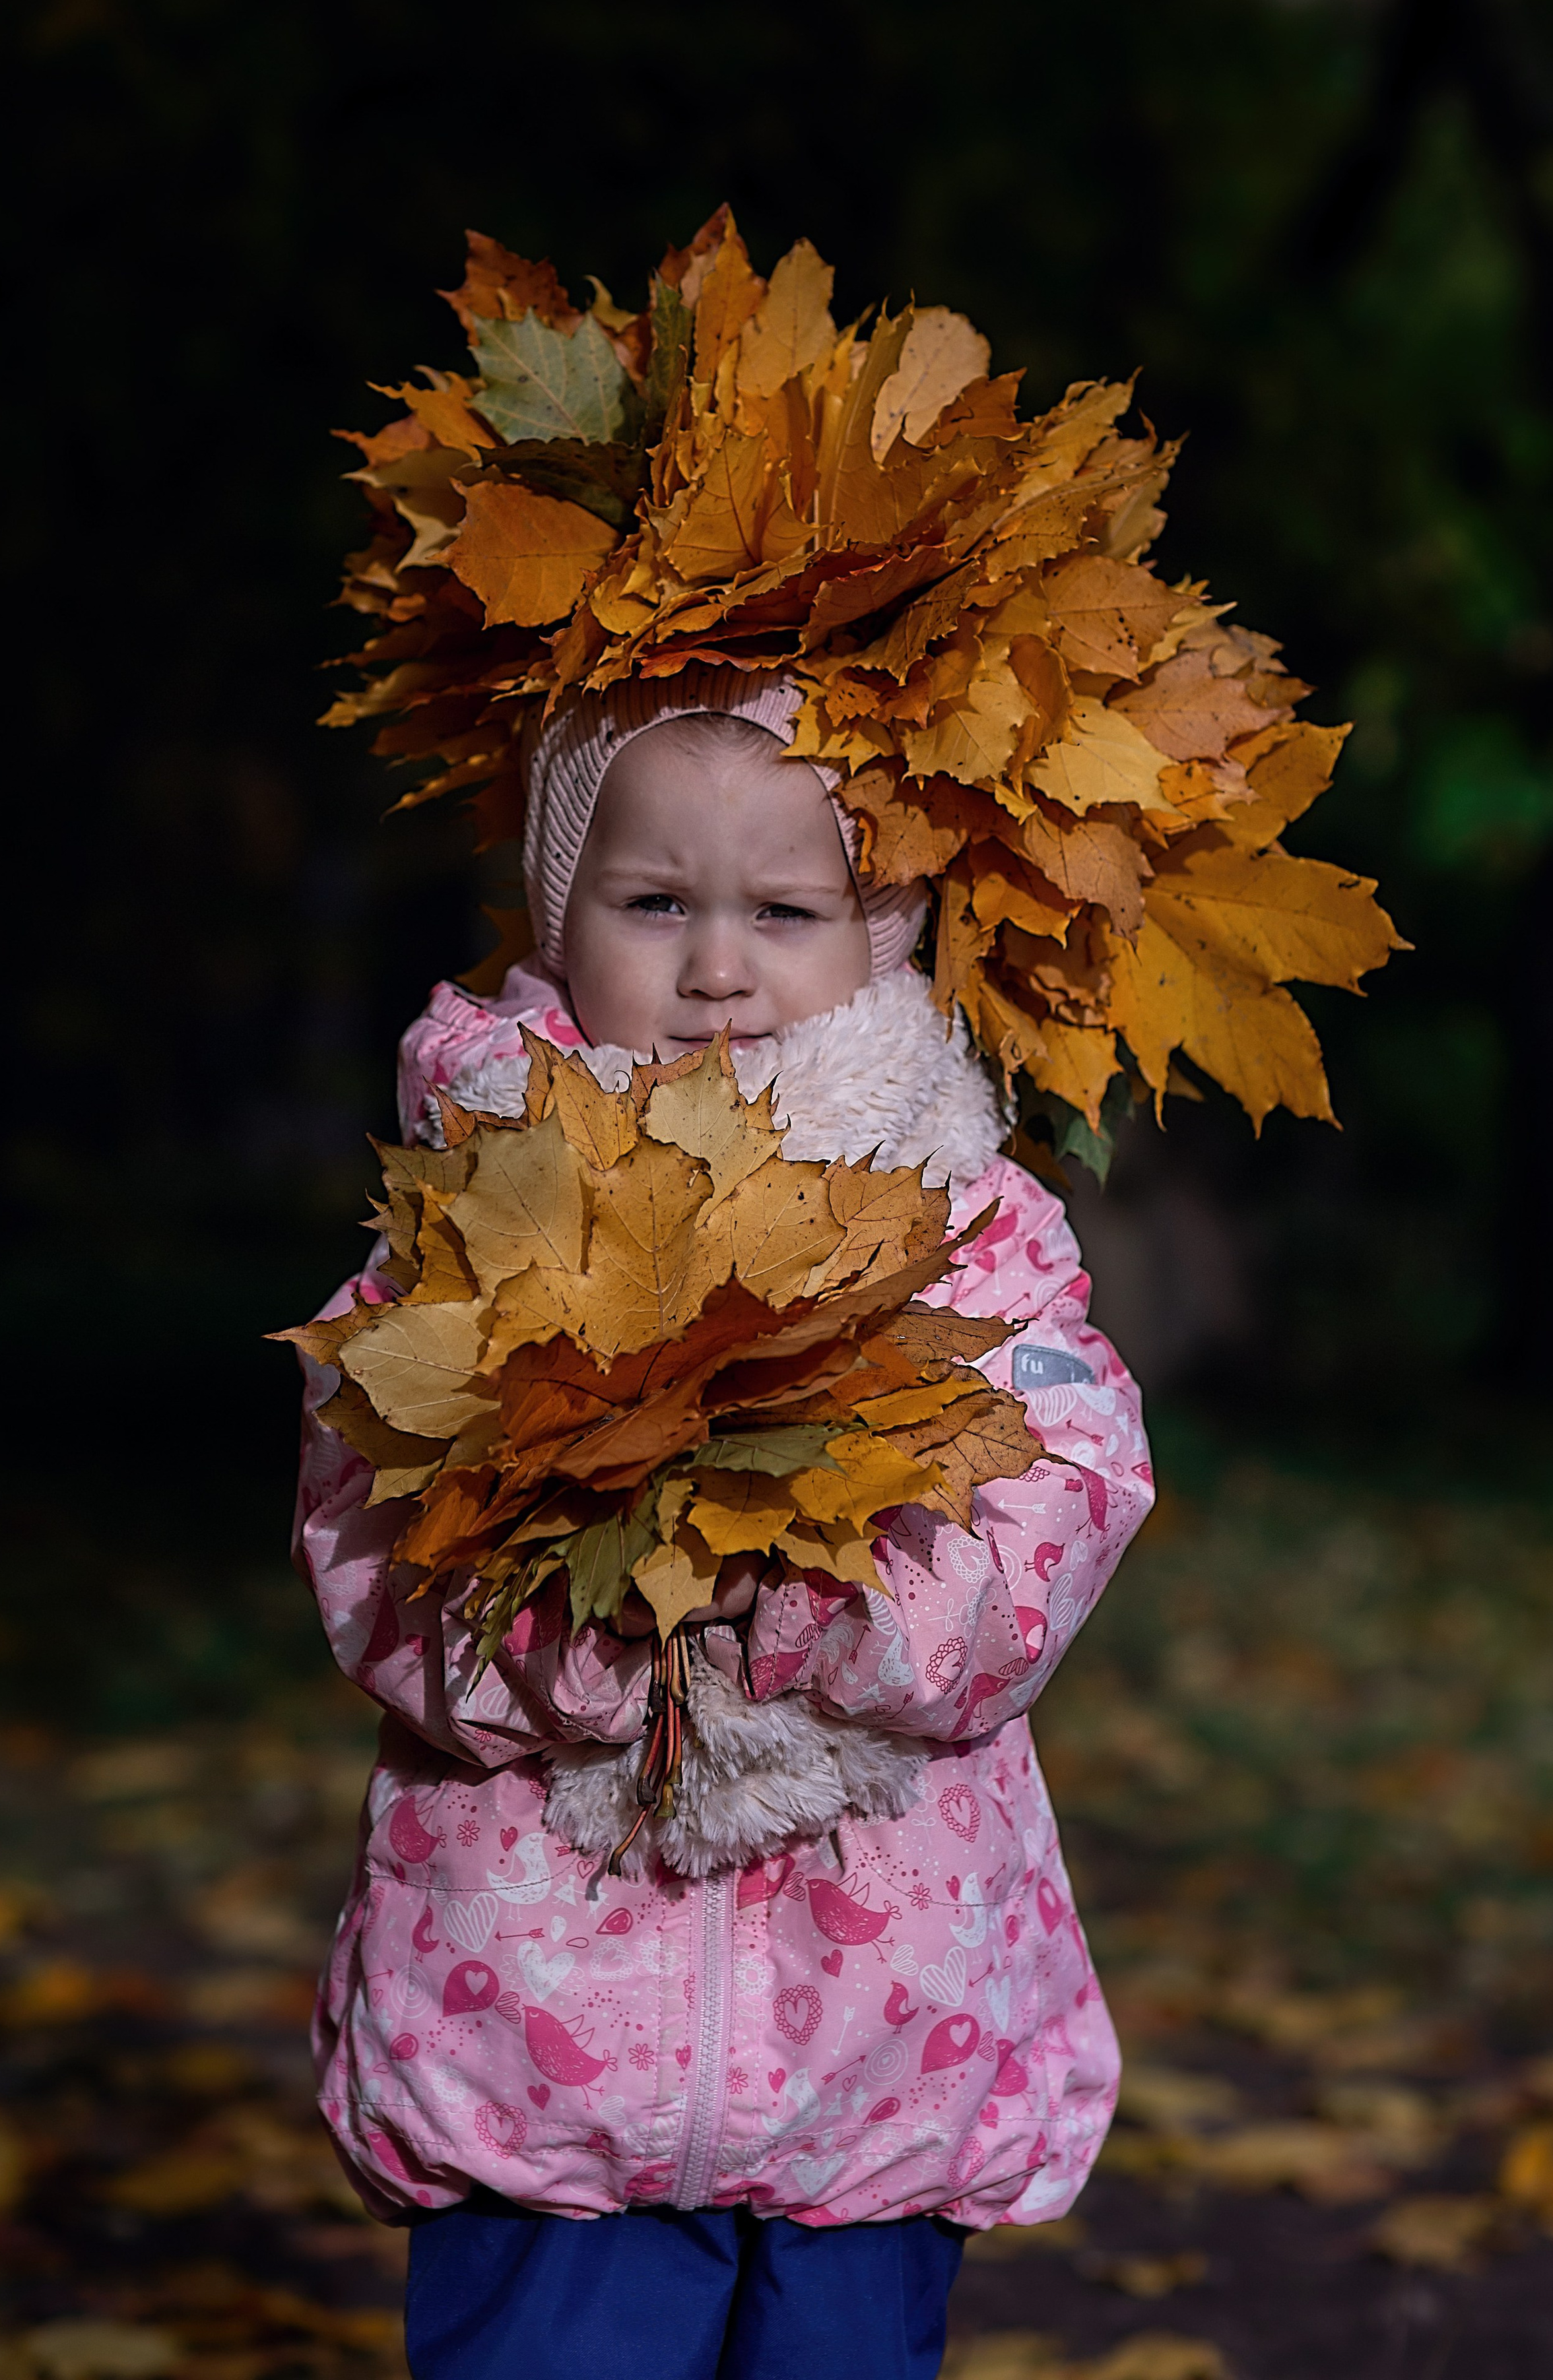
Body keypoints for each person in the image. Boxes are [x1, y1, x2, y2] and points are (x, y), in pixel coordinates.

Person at [292, 666, 1155, 2380]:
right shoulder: (467, 1225)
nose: (715, 968)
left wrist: (807, 1597)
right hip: (535, 2035)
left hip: (882, 2037)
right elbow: (375, 1554)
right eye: (655, 903)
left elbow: (1058, 1502)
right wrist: (594, 1627)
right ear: (562, 914)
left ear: (882, 931)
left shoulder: (968, 1228)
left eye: (784, 911)